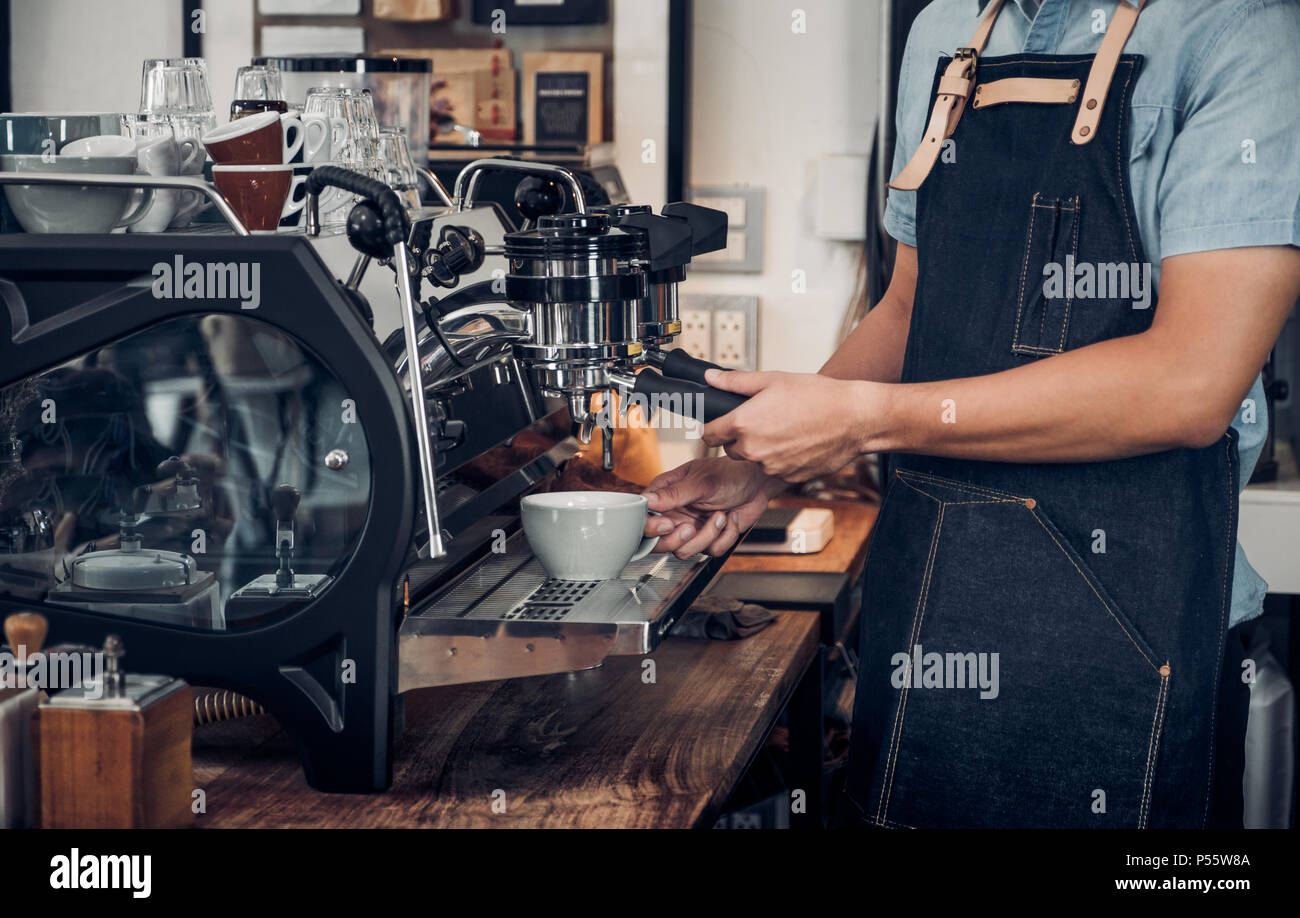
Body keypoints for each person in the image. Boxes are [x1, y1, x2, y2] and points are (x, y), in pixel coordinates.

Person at [642, 0, 1300, 828]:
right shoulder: (946, 30)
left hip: (1137, 646)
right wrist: (760, 467)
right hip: (929, 614)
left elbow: (1191, 383)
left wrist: (864, 419)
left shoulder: (1238, 30)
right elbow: (908, 309)